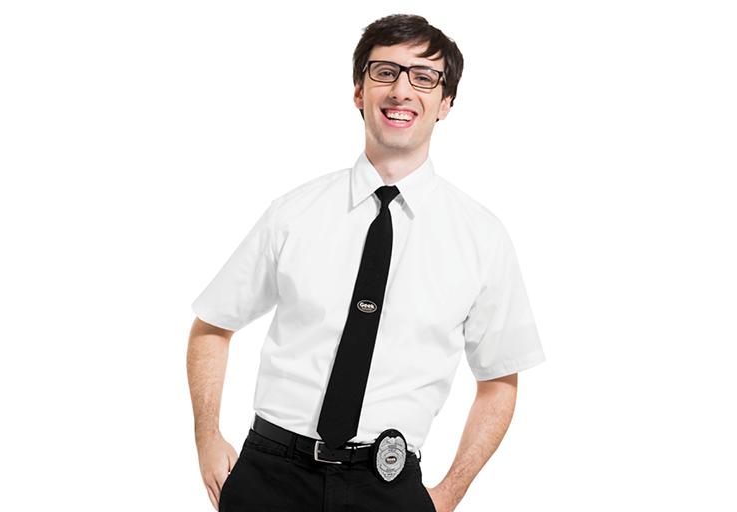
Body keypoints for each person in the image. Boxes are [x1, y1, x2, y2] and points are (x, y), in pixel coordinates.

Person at [187, 13, 545, 512]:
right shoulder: (294, 213)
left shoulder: (482, 238)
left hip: (388, 484)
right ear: (359, 92)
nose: (402, 90)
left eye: (424, 77)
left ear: (445, 103)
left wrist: (448, 494)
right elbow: (212, 325)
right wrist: (207, 438)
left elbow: (500, 379)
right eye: (385, 72)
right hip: (270, 476)